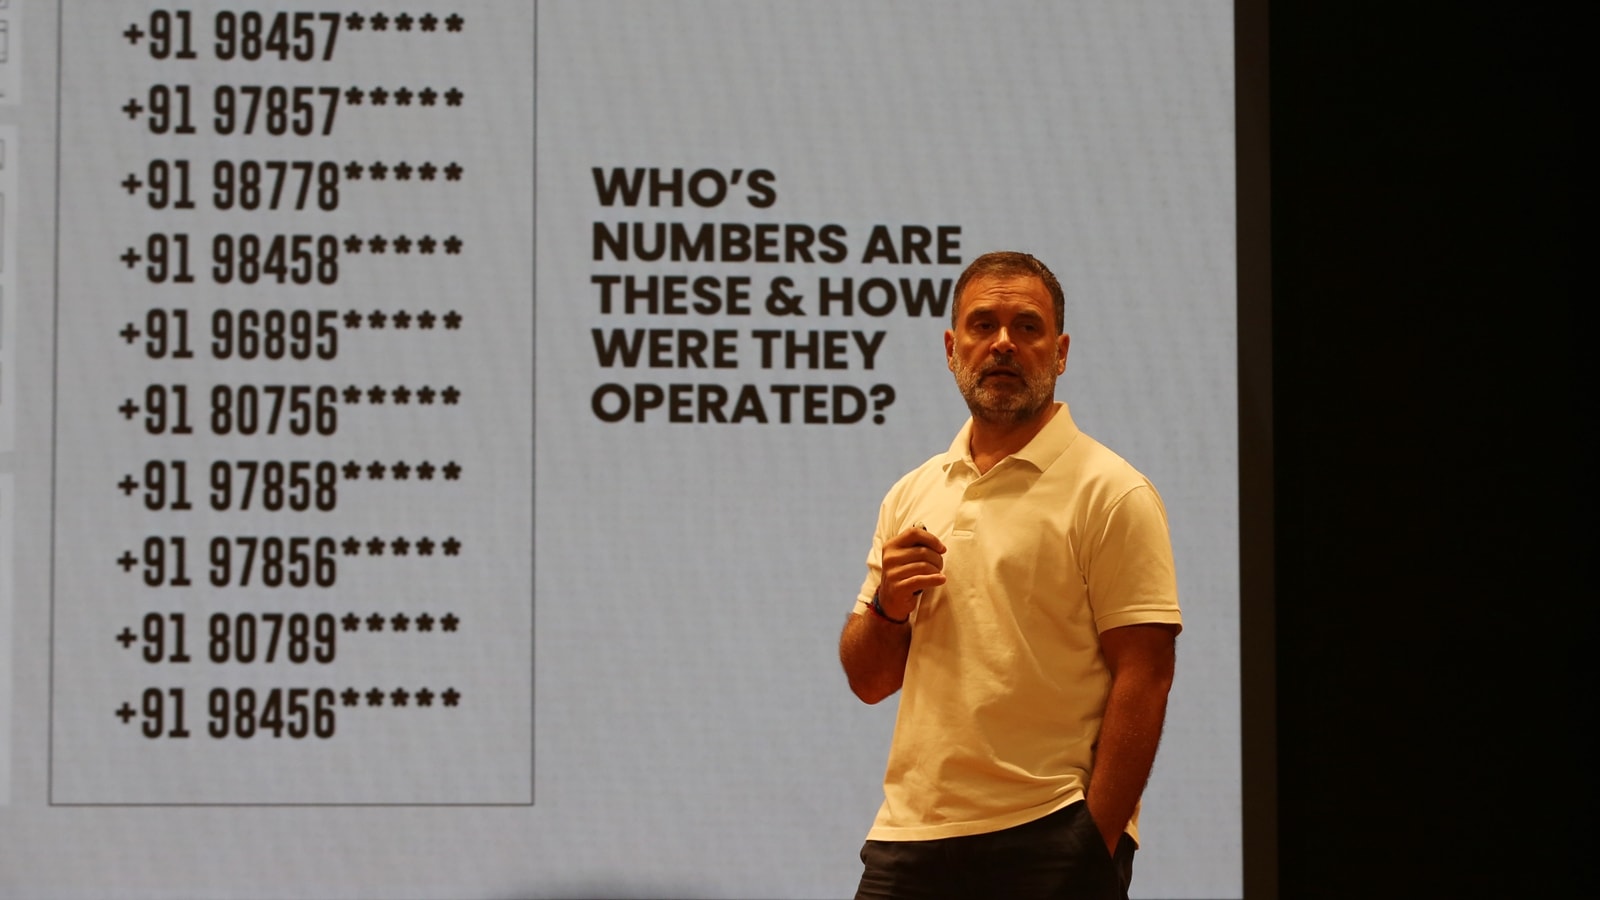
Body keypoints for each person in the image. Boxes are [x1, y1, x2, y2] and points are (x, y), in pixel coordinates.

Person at [839, 251, 1182, 899]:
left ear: (1060, 352)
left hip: (1048, 833)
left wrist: (1095, 845)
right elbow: (869, 681)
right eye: (982, 325)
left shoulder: (1112, 491)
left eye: (1027, 326)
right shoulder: (912, 493)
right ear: (951, 348)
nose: (1003, 343)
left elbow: (1146, 673)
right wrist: (887, 606)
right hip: (909, 837)